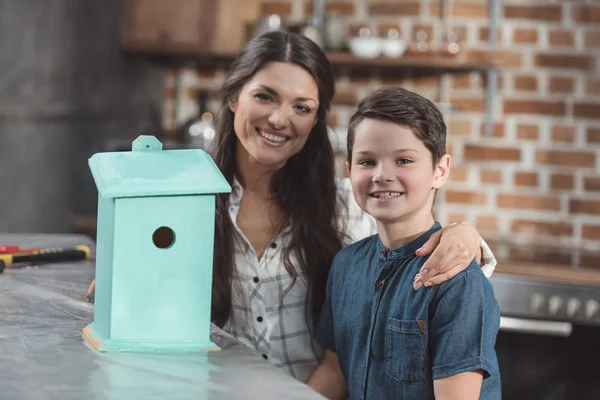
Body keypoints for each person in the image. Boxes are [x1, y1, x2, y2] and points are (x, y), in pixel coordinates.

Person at [86, 31, 497, 382]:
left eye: (302, 107)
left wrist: (465, 233)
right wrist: (124, 286)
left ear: (316, 121)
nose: (281, 119)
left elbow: (418, 251)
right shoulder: (186, 204)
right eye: (265, 97)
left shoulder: (348, 208)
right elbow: (141, 302)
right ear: (233, 98)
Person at [306, 87, 501, 399]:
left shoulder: (458, 281)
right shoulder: (345, 265)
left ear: (440, 170)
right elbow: (334, 371)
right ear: (349, 170)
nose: (383, 175)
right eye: (367, 162)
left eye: (404, 160)